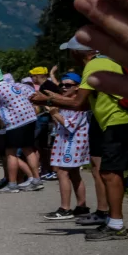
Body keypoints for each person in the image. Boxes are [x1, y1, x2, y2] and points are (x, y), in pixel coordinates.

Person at [41, 33, 128, 239]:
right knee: (110, 172)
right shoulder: (108, 61)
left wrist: (46, 101)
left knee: (110, 173)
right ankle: (111, 220)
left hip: (118, 121)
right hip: (120, 120)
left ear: (77, 52)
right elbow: (84, 102)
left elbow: (77, 103)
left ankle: (116, 225)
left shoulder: (93, 66)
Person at [40, 72, 94, 219]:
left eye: (68, 85)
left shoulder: (78, 102)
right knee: (74, 173)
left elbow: (70, 125)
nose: (64, 88)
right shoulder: (65, 101)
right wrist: (54, 112)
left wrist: (54, 112)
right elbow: (60, 124)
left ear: (77, 87)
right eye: (62, 85)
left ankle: (65, 208)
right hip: (65, 140)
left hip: (73, 141)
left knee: (62, 172)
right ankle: (81, 206)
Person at [0, 68, 42, 192]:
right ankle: (36, 180)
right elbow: (32, 95)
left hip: (15, 121)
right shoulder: (15, 85)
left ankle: (12, 184)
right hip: (30, 117)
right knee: (28, 149)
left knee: (10, 152)